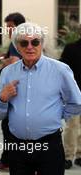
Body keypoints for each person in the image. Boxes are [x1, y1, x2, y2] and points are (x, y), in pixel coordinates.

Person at [0, 22, 81, 175]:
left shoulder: (60, 70)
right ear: (17, 46)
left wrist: (57, 115)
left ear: (41, 44)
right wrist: (2, 98)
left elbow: (76, 102)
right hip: (18, 147)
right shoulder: (8, 73)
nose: (30, 47)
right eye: (24, 43)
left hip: (49, 146)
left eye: (35, 42)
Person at [0, 12, 25, 171]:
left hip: (12, 93)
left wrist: (2, 63)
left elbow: (14, 61)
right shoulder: (26, 41)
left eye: (11, 27)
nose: (8, 30)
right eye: (7, 27)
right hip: (20, 93)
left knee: (8, 128)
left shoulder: (17, 41)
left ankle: (7, 161)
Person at [60, 37, 81, 169]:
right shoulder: (71, 48)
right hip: (73, 94)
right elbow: (62, 70)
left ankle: (79, 155)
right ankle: (68, 156)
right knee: (71, 126)